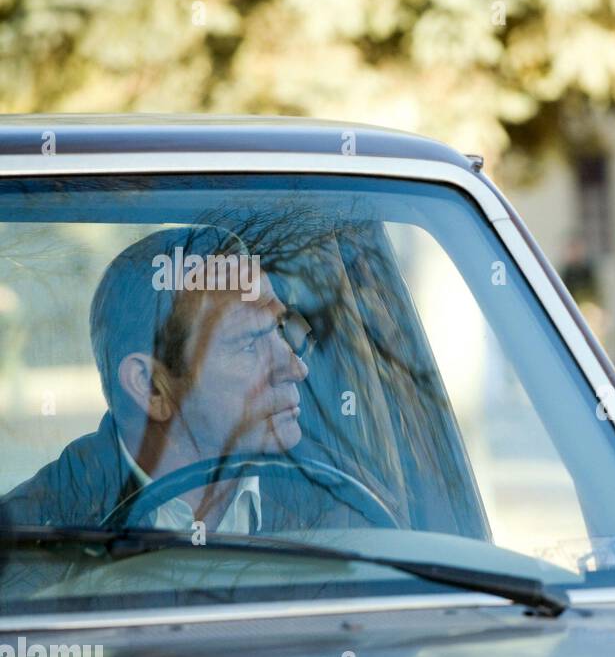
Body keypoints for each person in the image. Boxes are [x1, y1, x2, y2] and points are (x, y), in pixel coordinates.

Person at [0, 224, 375, 536]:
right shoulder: (33, 536)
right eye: (249, 344)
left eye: (281, 329)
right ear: (152, 387)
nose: (296, 368)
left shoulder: (346, 501)